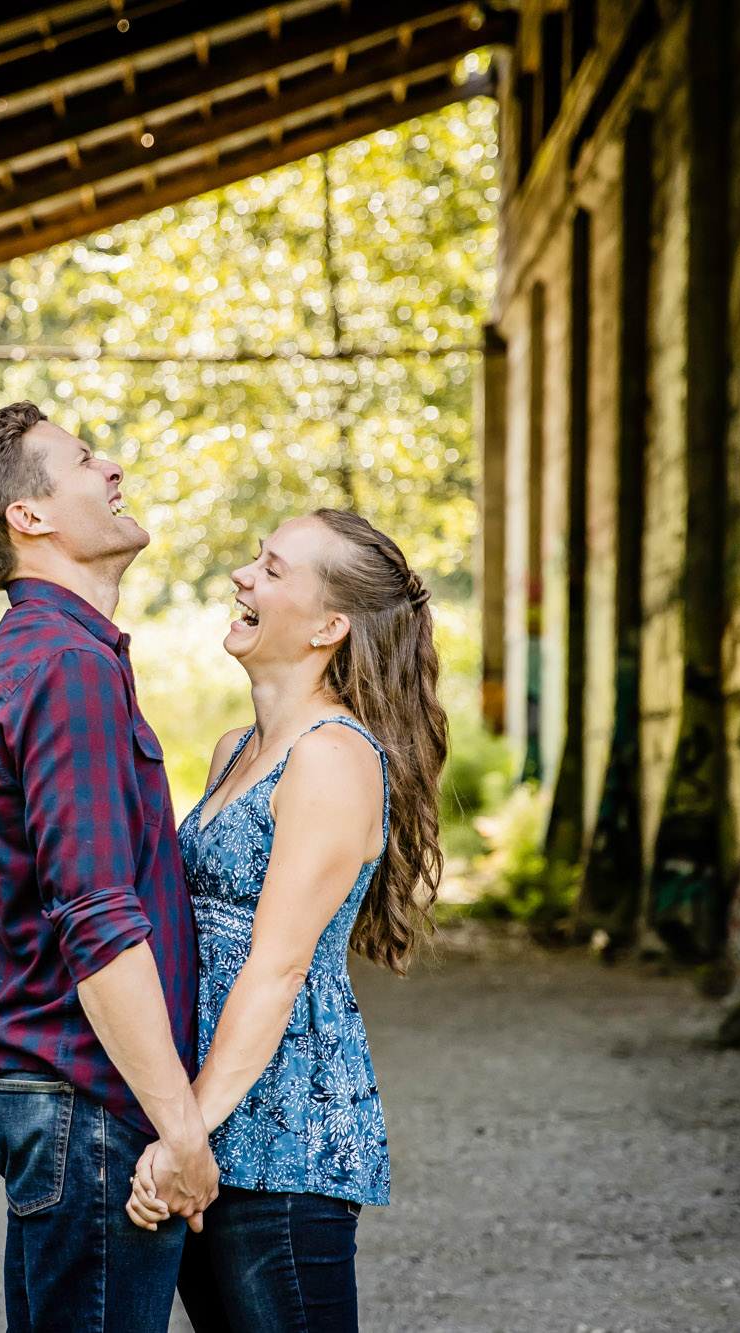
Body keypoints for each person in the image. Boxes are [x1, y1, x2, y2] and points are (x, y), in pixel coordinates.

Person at [0, 402, 216, 1333]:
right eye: (86, 459)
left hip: (64, 1100)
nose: (113, 468)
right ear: (31, 516)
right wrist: (180, 1124)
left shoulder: (56, 651)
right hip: (89, 1101)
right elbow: (95, 912)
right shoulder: (66, 663)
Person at [127, 509, 448, 1332]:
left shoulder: (334, 758)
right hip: (211, 1122)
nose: (243, 576)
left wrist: (182, 1134)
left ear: (329, 626)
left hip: (287, 1138)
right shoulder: (237, 747)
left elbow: (276, 969)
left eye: (272, 569)